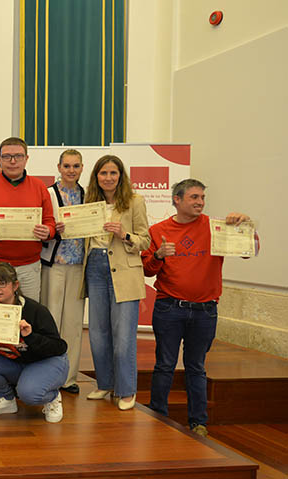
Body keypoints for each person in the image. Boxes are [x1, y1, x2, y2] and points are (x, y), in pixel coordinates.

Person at [142, 179, 256, 437]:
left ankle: (198, 423)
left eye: (202, 198)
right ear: (177, 200)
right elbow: (147, 269)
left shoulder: (216, 227)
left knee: (196, 366)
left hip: (205, 311)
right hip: (169, 307)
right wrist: (159, 255)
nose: (200, 202)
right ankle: (157, 416)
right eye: (194, 197)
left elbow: (248, 250)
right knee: (165, 365)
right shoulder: (158, 229)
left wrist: (245, 224)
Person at [80, 155, 150, 410]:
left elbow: (145, 241)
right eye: (103, 173)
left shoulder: (134, 202)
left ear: (121, 175)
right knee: (98, 334)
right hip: (95, 268)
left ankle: (127, 389)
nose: (108, 178)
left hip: (124, 270)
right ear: (96, 177)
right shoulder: (88, 202)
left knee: (123, 337)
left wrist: (124, 234)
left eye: (113, 173)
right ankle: (105, 383)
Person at [0, 263, 68, 422]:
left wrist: (30, 336)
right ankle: (6, 399)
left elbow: (59, 347)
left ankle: (52, 397)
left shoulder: (35, 310)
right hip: (17, 361)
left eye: (2, 283)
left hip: (46, 361)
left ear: (15, 286)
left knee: (29, 394)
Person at [0, 137, 55, 302]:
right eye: (7, 156)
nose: (13, 161)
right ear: (0, 159)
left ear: (26, 159)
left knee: (27, 314)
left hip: (27, 267)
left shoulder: (39, 187)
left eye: (18, 156)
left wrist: (47, 231)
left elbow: (50, 223)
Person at [39, 149, 86, 395]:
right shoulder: (48, 194)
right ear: (58, 167)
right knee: (52, 319)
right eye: (66, 166)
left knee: (74, 323)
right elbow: (39, 225)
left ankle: (69, 378)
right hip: (53, 263)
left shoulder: (88, 196)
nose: (71, 170)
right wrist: (51, 228)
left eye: (76, 166)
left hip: (78, 264)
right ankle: (48, 375)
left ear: (82, 168)